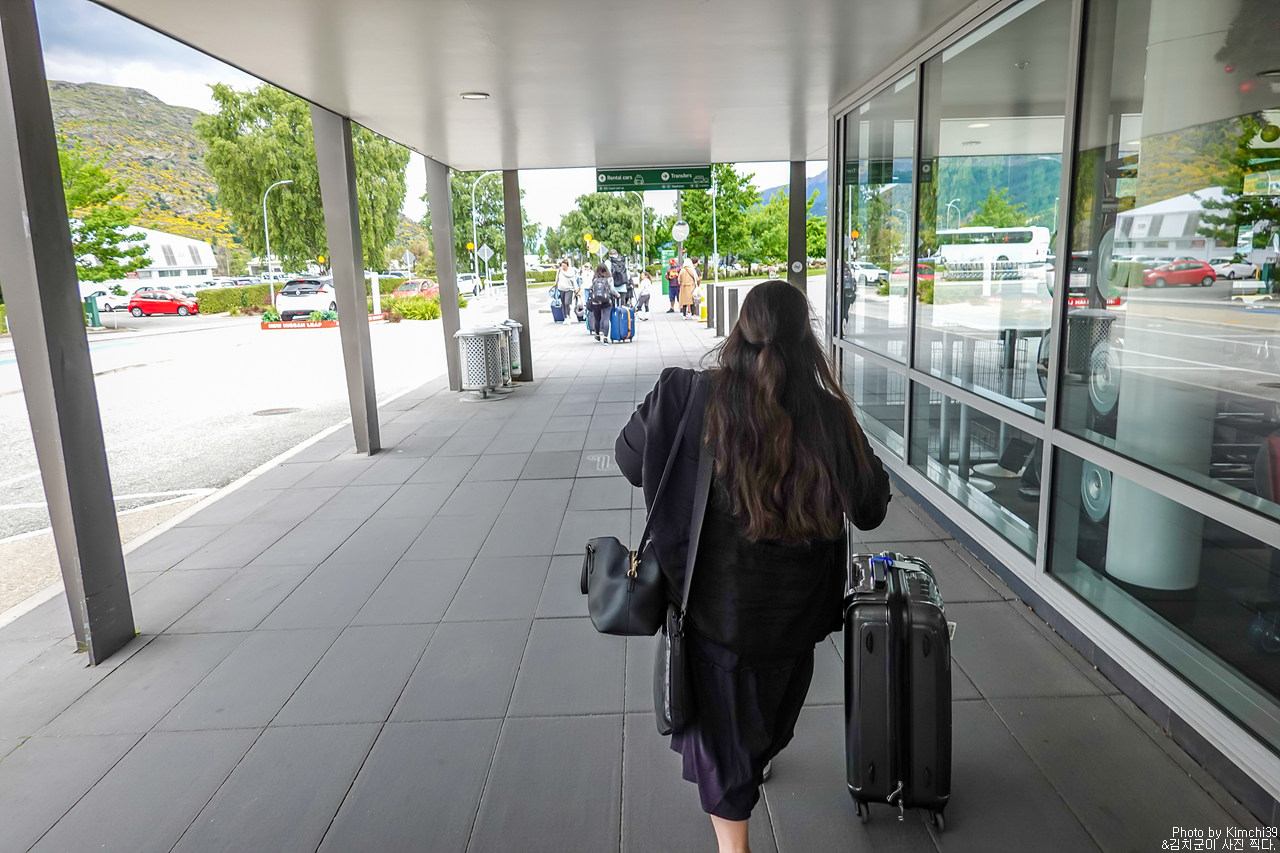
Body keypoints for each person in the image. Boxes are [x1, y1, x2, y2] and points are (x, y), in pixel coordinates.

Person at [614, 280, 890, 853]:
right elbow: (870, 509)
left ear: (739, 331)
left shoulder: (689, 395)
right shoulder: (829, 416)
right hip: (795, 625)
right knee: (757, 729)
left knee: (727, 745)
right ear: (806, 340)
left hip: (712, 615)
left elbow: (628, 458)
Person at [586, 262, 616, 343]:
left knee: (597, 319)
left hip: (595, 302)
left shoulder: (595, 278)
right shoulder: (609, 278)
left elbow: (592, 289)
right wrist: (617, 294)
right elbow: (612, 290)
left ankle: (597, 335)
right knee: (606, 319)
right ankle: (605, 337)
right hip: (606, 301)